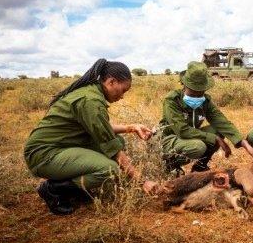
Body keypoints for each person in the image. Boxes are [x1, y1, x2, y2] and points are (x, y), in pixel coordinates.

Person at [24, 59, 155, 215]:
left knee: (118, 140)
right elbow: (115, 153)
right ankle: (55, 189)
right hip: (44, 155)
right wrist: (143, 182)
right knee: (110, 169)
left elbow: (99, 128)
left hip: (59, 146)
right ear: (111, 82)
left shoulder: (91, 92)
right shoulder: (90, 101)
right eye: (123, 90)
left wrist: (131, 127)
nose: (122, 97)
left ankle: (76, 187)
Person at [160, 61, 253, 174]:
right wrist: (213, 138)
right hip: (169, 139)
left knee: (218, 131)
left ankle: (200, 167)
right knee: (198, 147)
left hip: (190, 137)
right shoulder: (172, 100)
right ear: (184, 85)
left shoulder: (205, 101)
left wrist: (245, 145)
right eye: (193, 92)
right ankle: (171, 165)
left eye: (200, 93)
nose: (197, 96)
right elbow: (182, 131)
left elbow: (222, 123)